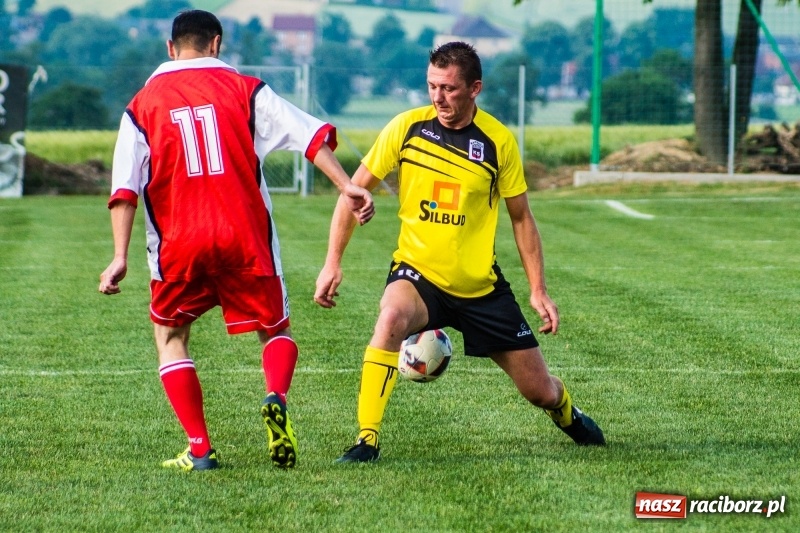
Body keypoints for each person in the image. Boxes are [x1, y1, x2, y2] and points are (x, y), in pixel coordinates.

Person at [99, 10, 374, 472]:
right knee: (275, 329)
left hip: (178, 244)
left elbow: (124, 189)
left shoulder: (142, 104)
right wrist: (346, 184)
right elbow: (307, 136)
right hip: (244, 236)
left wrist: (119, 256)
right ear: (217, 43)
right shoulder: (246, 89)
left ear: (171, 48)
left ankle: (200, 449)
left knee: (171, 335)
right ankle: (274, 396)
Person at [314, 41, 604, 463]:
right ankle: (366, 440)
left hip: (480, 287)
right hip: (418, 274)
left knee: (537, 390)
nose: (438, 97)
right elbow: (351, 193)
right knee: (391, 316)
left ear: (474, 88)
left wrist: (538, 289)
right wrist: (332, 262)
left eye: (449, 88)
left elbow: (521, 218)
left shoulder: (497, 142)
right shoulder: (406, 128)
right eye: (432, 86)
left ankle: (565, 411)